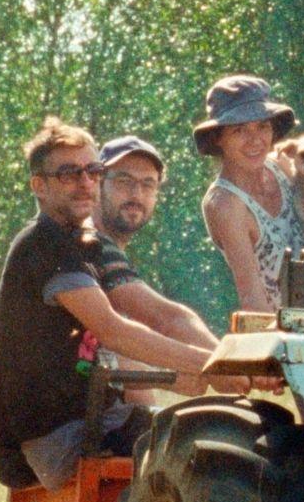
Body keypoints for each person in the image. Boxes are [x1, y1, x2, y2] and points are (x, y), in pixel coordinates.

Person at [0, 118, 247, 491]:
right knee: (209, 454)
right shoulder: (44, 246)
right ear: (39, 186)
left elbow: (165, 316)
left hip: (94, 419)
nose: (85, 183)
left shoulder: (79, 244)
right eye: (69, 174)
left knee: (213, 436)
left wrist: (230, 365)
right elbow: (114, 331)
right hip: (63, 436)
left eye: (92, 171)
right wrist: (214, 365)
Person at [91, 135, 224, 405]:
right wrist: (228, 363)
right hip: (59, 429)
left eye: (147, 184)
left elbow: (122, 353)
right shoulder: (90, 244)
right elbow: (166, 319)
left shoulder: (106, 247)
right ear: (97, 184)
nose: (136, 194)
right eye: (124, 182)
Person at [198, 74, 304, 312]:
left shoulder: (283, 166)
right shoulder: (225, 203)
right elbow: (252, 297)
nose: (255, 140)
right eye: (239, 130)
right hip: (299, 331)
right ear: (218, 137)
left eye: (263, 126)